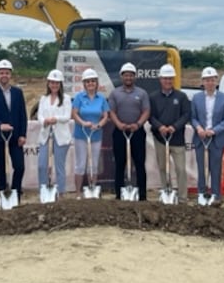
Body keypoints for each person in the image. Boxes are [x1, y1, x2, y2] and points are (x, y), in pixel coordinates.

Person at [0, 59, 28, 202]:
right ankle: (2, 194)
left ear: (11, 75)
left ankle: (15, 192)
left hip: (15, 136)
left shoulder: (18, 92)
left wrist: (23, 134)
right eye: (2, 73)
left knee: (19, 166)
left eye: (7, 73)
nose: (4, 75)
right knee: (2, 166)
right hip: (0, 136)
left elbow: (23, 114)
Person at [191, 66, 224, 205]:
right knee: (201, 168)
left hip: (217, 138)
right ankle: (202, 194)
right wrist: (198, 128)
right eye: (207, 80)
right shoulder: (196, 98)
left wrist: (214, 130)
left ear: (216, 81)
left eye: (212, 80)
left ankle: (215, 195)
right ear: (202, 82)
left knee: (215, 168)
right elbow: (192, 117)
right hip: (200, 138)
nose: (210, 83)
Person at [108, 62, 150, 200]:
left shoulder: (142, 93)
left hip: (137, 132)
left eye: (131, 75)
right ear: (122, 77)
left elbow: (146, 111)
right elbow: (112, 112)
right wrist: (119, 124)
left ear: (134, 77)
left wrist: (138, 124)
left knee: (139, 163)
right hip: (120, 132)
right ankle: (119, 194)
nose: (128, 78)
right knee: (120, 163)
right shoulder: (115, 93)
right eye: (126, 75)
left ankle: (142, 195)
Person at [149, 63, 191, 203]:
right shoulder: (153, 97)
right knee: (162, 167)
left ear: (173, 79)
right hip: (160, 138)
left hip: (177, 138)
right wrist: (160, 127)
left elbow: (186, 115)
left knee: (180, 169)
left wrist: (174, 127)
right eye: (165, 78)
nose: (168, 81)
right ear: (160, 79)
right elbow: (150, 116)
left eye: (170, 78)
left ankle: (182, 197)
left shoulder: (181, 96)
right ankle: (166, 193)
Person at [71, 68, 110, 199]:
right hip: (81, 135)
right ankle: (78, 193)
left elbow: (105, 116)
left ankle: (92, 190)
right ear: (84, 84)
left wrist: (99, 124)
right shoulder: (79, 97)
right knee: (80, 164)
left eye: (93, 81)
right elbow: (74, 114)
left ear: (96, 83)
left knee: (93, 164)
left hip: (96, 135)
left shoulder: (101, 98)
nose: (90, 84)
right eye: (88, 82)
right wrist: (83, 123)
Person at [37, 69, 72, 197]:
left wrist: (55, 118)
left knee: (59, 167)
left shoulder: (66, 99)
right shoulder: (43, 99)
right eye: (52, 82)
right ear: (48, 83)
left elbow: (67, 116)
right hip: (46, 135)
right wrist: (44, 121)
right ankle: (44, 191)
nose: (54, 85)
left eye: (57, 83)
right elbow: (40, 115)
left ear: (60, 84)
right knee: (42, 165)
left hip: (61, 137)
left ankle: (61, 193)